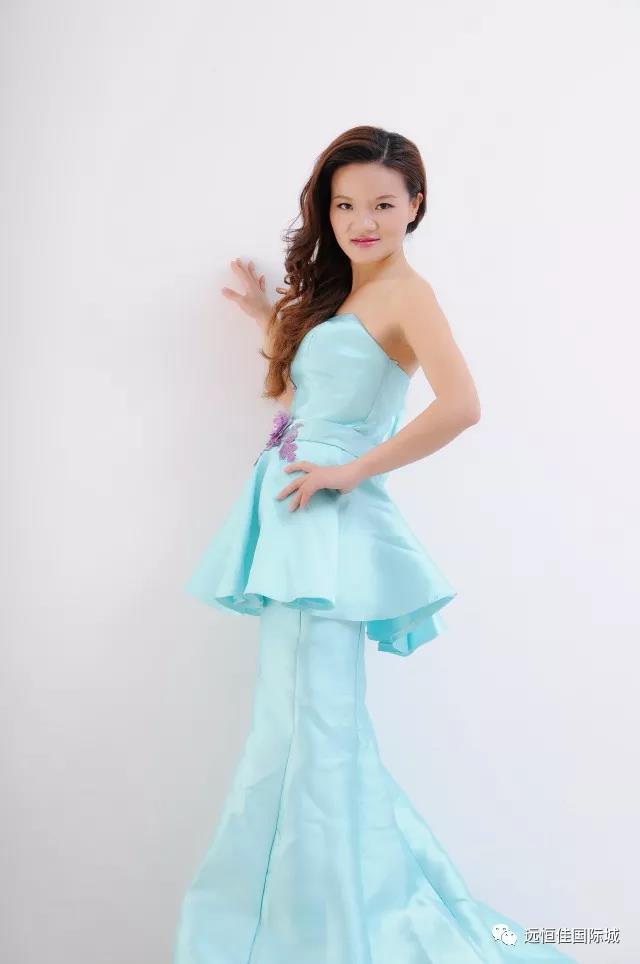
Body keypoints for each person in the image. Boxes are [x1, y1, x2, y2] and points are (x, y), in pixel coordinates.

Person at [172, 126, 575, 963]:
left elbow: (462, 405)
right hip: (291, 524)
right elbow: (310, 395)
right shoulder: (348, 295)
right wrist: (269, 318)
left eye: (383, 205)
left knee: (312, 737)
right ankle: (307, 928)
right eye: (345, 205)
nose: (363, 222)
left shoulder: (407, 294)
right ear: (326, 210)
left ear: (415, 206)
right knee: (297, 732)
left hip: (325, 534)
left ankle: (334, 935)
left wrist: (353, 469)